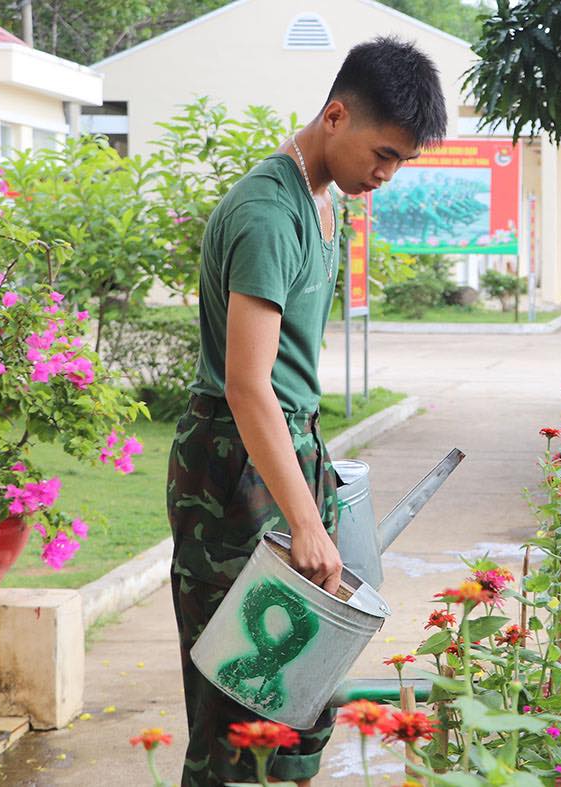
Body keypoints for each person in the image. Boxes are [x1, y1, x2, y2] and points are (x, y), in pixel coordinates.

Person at [165, 36, 447, 787]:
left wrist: (322, 490)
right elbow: (248, 384)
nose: (385, 175)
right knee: (239, 705)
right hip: (233, 464)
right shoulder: (267, 211)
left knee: (299, 693)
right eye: (382, 153)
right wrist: (309, 521)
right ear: (334, 115)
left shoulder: (323, 202)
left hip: (288, 448)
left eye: (401, 163)